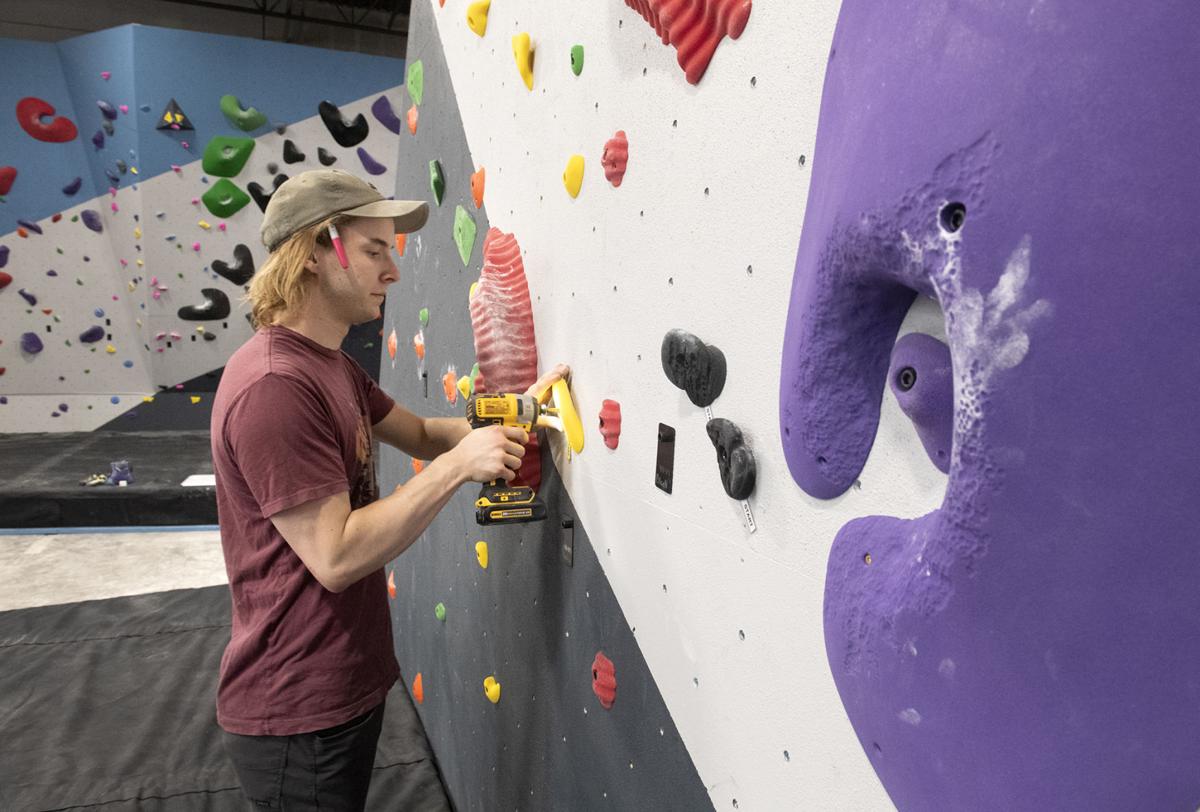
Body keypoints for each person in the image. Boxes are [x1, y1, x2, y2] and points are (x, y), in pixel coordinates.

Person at [211, 168, 566, 810]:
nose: (393, 272)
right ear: (320, 251)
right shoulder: (275, 388)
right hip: (297, 707)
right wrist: (462, 468)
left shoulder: (330, 363)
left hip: (339, 683)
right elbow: (336, 556)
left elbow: (427, 432)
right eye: (376, 251)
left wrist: (517, 412)